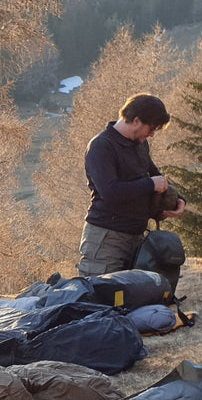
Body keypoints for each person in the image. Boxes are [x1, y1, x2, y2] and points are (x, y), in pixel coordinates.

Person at [78, 93, 186, 277]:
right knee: (99, 300)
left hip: (137, 238)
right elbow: (110, 191)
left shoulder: (140, 145)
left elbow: (156, 177)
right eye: (151, 128)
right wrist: (150, 185)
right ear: (136, 121)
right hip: (106, 241)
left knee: (134, 300)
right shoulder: (101, 146)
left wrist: (178, 200)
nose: (152, 134)